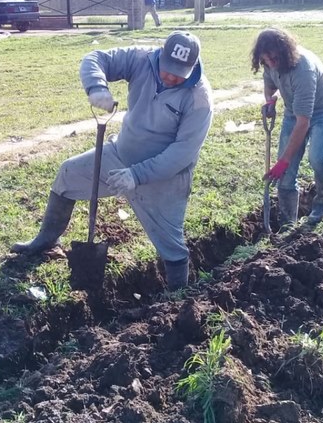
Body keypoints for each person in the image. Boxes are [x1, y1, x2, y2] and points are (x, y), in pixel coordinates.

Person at [12, 31, 213, 291]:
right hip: (120, 155)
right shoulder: (141, 58)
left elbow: (182, 153)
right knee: (68, 174)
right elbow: (95, 58)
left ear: (192, 67)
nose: (171, 77)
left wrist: (137, 175)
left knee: (171, 244)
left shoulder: (200, 99)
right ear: (160, 55)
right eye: (167, 69)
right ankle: (47, 239)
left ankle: (177, 297)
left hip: (164, 178)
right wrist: (96, 86)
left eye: (179, 73)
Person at [252, 27, 323, 227]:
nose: (271, 64)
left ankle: (322, 204)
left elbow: (303, 123)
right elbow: (269, 83)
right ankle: (287, 222)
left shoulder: (303, 70)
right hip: (293, 113)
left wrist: (284, 160)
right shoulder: (270, 63)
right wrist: (269, 101)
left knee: (318, 158)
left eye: (274, 59)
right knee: (286, 175)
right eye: (266, 60)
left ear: (285, 53)